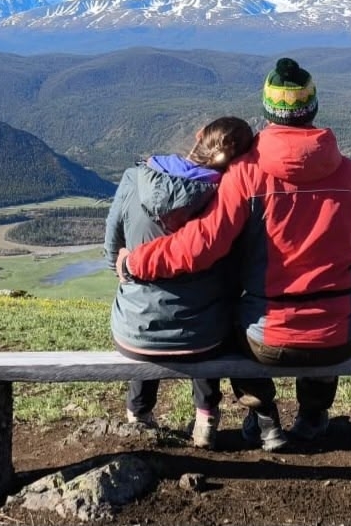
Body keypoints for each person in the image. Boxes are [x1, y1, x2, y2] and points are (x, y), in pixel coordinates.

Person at [119, 57, 351, 452]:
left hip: (267, 336)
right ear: (313, 110)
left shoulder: (245, 174)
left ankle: (265, 418)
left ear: (268, 111)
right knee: (327, 328)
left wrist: (135, 261)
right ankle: (312, 416)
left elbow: (199, 246)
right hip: (340, 334)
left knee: (230, 326)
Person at [104, 115, 256, 449]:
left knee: (143, 311)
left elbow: (110, 248)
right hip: (204, 339)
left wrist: (126, 269)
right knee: (209, 310)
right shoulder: (227, 199)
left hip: (134, 337)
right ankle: (206, 415)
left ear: (199, 136)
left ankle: (139, 414)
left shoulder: (134, 178)